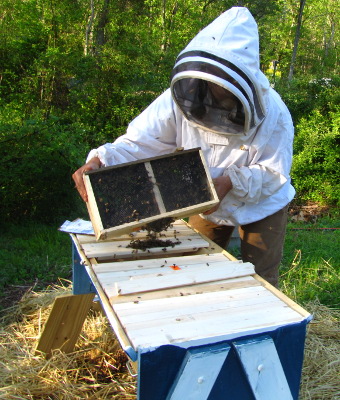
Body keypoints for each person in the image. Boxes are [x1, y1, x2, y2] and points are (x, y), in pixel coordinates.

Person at [73, 7, 294, 288]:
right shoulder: (178, 100)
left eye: (226, 95)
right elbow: (141, 143)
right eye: (213, 89)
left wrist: (230, 181)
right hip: (205, 197)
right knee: (195, 267)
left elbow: (274, 173)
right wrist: (102, 160)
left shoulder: (274, 113)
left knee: (262, 278)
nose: (218, 100)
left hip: (264, 202)